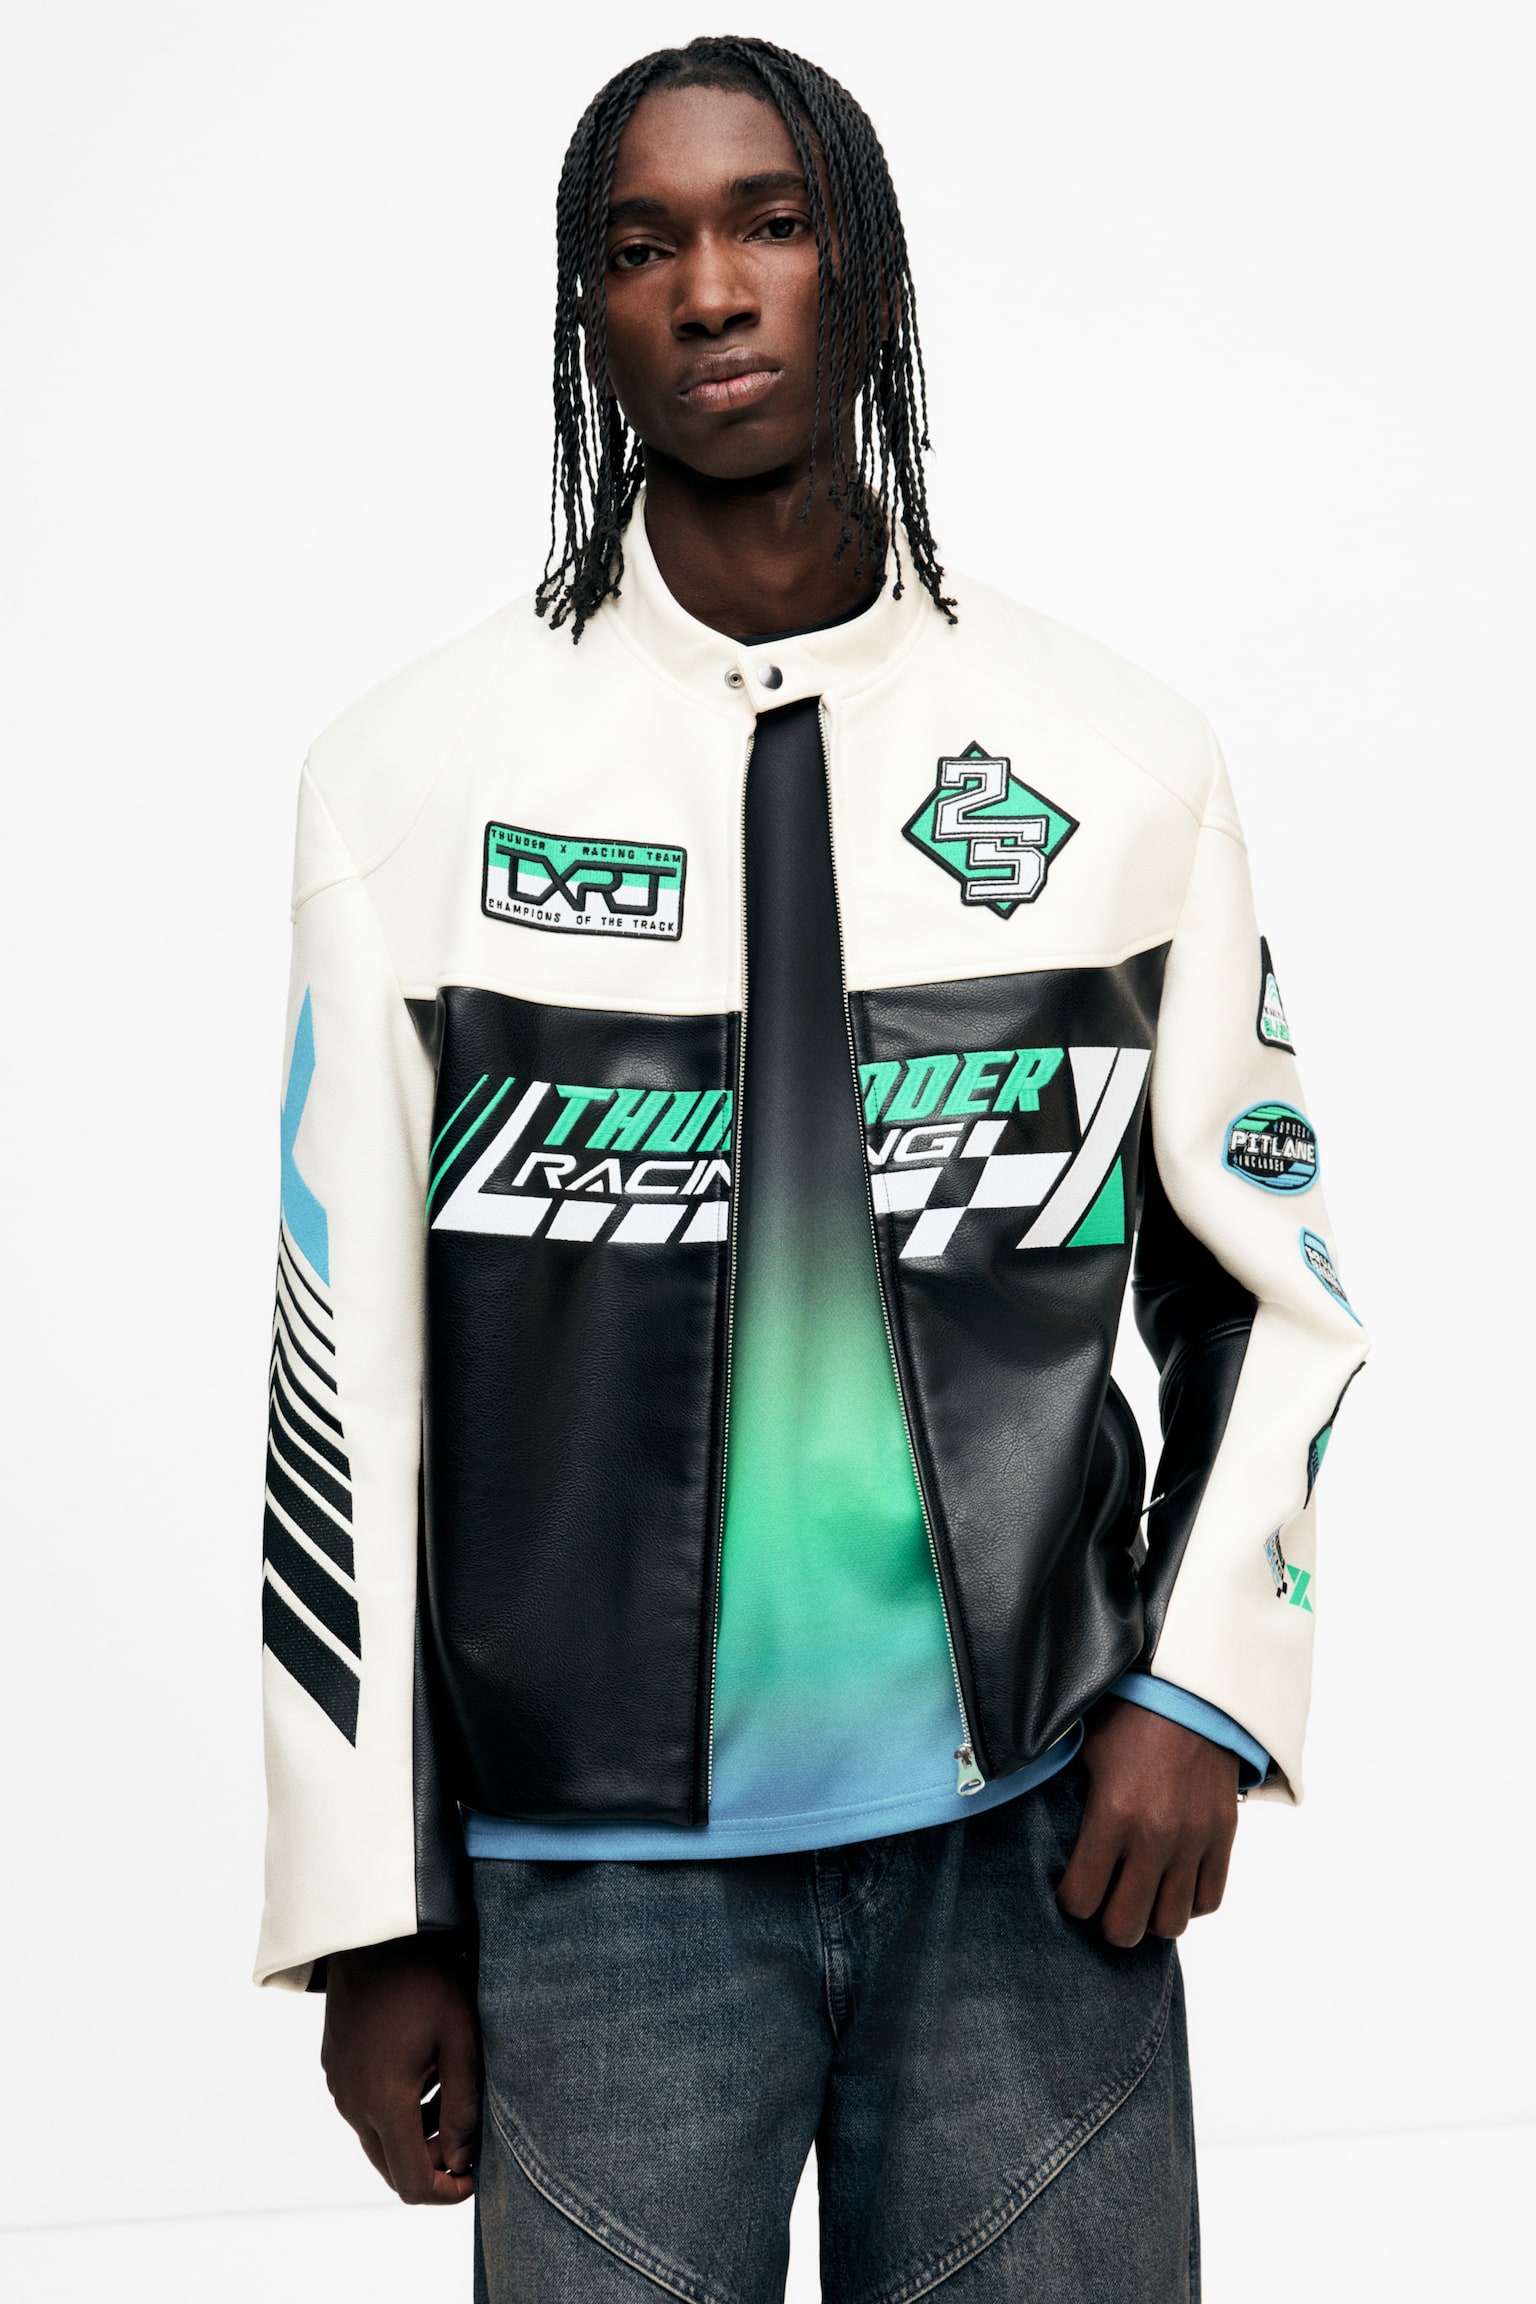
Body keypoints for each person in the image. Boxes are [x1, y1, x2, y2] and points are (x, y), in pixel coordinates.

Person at [255, 36, 1366, 2301]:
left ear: (866, 270)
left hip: (1027, 1848)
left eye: (769, 221)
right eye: (640, 244)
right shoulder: (410, 787)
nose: (710, 288)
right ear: (589, 315)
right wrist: (374, 1908)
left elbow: (1269, 1287)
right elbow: (336, 1391)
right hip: (593, 1894)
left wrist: (1203, 1687)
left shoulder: (1119, 759)